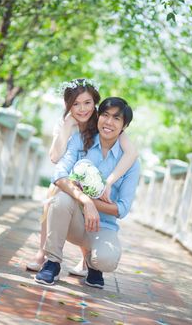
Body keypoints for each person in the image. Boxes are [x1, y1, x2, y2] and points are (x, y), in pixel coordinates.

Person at [26, 80, 138, 275]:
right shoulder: (68, 125)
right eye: (75, 104)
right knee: (56, 193)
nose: (81, 109)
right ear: (67, 106)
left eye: (87, 103)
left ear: (94, 103)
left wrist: (108, 183)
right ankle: (44, 253)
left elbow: (132, 154)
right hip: (72, 187)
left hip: (96, 204)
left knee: (70, 196)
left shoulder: (107, 122)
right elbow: (55, 160)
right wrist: (68, 125)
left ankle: (88, 257)